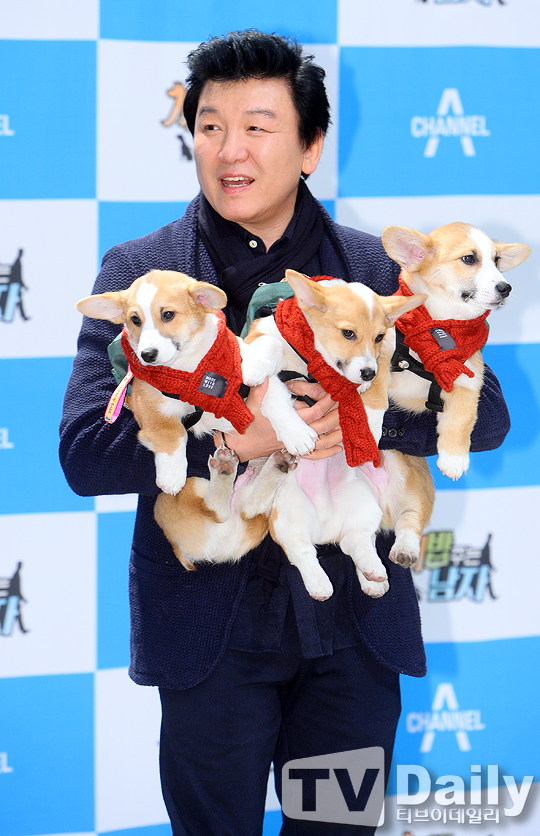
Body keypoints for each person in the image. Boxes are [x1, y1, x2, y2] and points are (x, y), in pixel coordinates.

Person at [59, 30, 509, 835]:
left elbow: (489, 417)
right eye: (209, 126)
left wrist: (358, 416)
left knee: (335, 827)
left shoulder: (377, 272)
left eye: (257, 127)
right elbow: (85, 454)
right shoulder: (141, 274)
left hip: (352, 639)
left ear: (311, 147)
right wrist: (232, 440)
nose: (229, 150)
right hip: (207, 633)